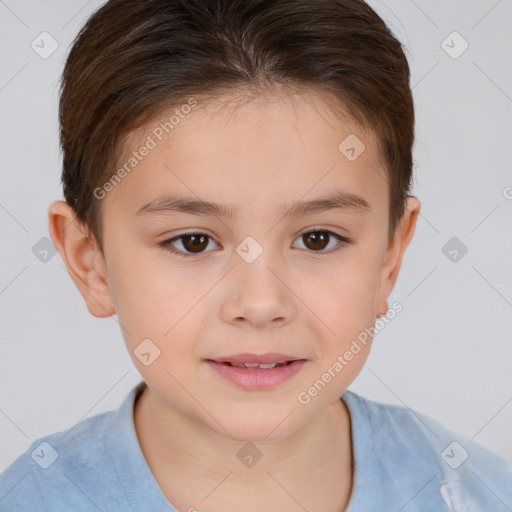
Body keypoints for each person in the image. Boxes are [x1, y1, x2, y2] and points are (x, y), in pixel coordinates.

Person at [1, 0, 511, 510]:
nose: (261, 303)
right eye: (193, 241)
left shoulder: (479, 495)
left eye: (318, 238)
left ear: (389, 256)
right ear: (90, 260)